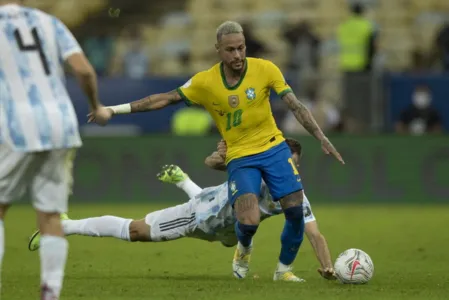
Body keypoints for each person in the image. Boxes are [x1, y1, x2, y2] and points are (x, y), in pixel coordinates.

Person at [88, 20, 344, 282]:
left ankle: (282, 271)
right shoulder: (205, 82)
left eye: (241, 48)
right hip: (240, 156)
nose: (238, 55)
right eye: (231, 50)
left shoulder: (265, 69)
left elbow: (295, 104)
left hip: (273, 147)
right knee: (248, 220)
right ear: (218, 50)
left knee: (294, 208)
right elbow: (164, 99)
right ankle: (243, 249)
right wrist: (113, 110)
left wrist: (321, 137)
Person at [28, 139, 336, 280]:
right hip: (201, 216)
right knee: (135, 231)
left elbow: (315, 234)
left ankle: (188, 186)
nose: (286, 169)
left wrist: (328, 266)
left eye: (292, 165)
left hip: (229, 229)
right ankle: (63, 225)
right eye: (283, 161)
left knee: (235, 230)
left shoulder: (295, 195)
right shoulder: (252, 167)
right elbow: (215, 162)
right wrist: (222, 154)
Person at [0, 1, 102, 299]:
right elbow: (84, 70)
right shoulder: (48, 22)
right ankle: (50, 292)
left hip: (18, 124)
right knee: (50, 214)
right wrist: (96, 105)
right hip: (61, 122)